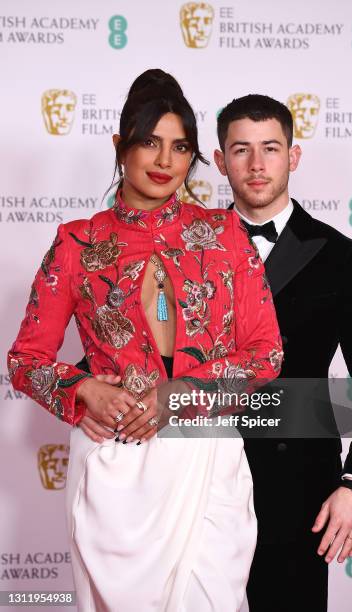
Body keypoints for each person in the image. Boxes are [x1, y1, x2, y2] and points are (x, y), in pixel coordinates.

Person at [7, 71, 283, 612]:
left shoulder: (226, 236)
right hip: (116, 466)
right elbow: (25, 360)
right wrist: (84, 387)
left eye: (180, 147)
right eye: (149, 142)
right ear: (120, 146)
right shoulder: (78, 243)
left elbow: (266, 353)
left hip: (203, 455)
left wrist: (174, 396)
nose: (164, 161)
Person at [213, 94, 352, 612]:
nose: (256, 165)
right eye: (241, 150)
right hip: (200, 477)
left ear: (293, 157)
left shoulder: (339, 256)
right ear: (219, 158)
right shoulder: (190, 248)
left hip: (299, 490)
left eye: (271, 148)